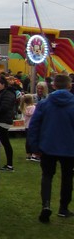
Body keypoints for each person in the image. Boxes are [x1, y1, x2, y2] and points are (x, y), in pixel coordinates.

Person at [27, 73, 74, 222]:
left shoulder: (44, 104)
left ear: (53, 86)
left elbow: (34, 126)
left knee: (47, 176)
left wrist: (33, 146)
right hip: (69, 148)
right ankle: (63, 208)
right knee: (67, 177)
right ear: (69, 85)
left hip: (47, 146)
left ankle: (46, 205)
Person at [0, 75, 18, 171]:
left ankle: (9, 165)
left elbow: (4, 108)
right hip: (1, 120)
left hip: (2, 121)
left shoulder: (7, 94)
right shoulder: (3, 93)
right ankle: (9, 164)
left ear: (3, 84)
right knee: (4, 142)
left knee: (5, 142)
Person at [19, 94, 38, 161]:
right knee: (33, 140)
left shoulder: (24, 108)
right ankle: (34, 154)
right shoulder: (33, 107)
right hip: (32, 126)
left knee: (28, 140)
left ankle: (28, 154)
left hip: (27, 126)